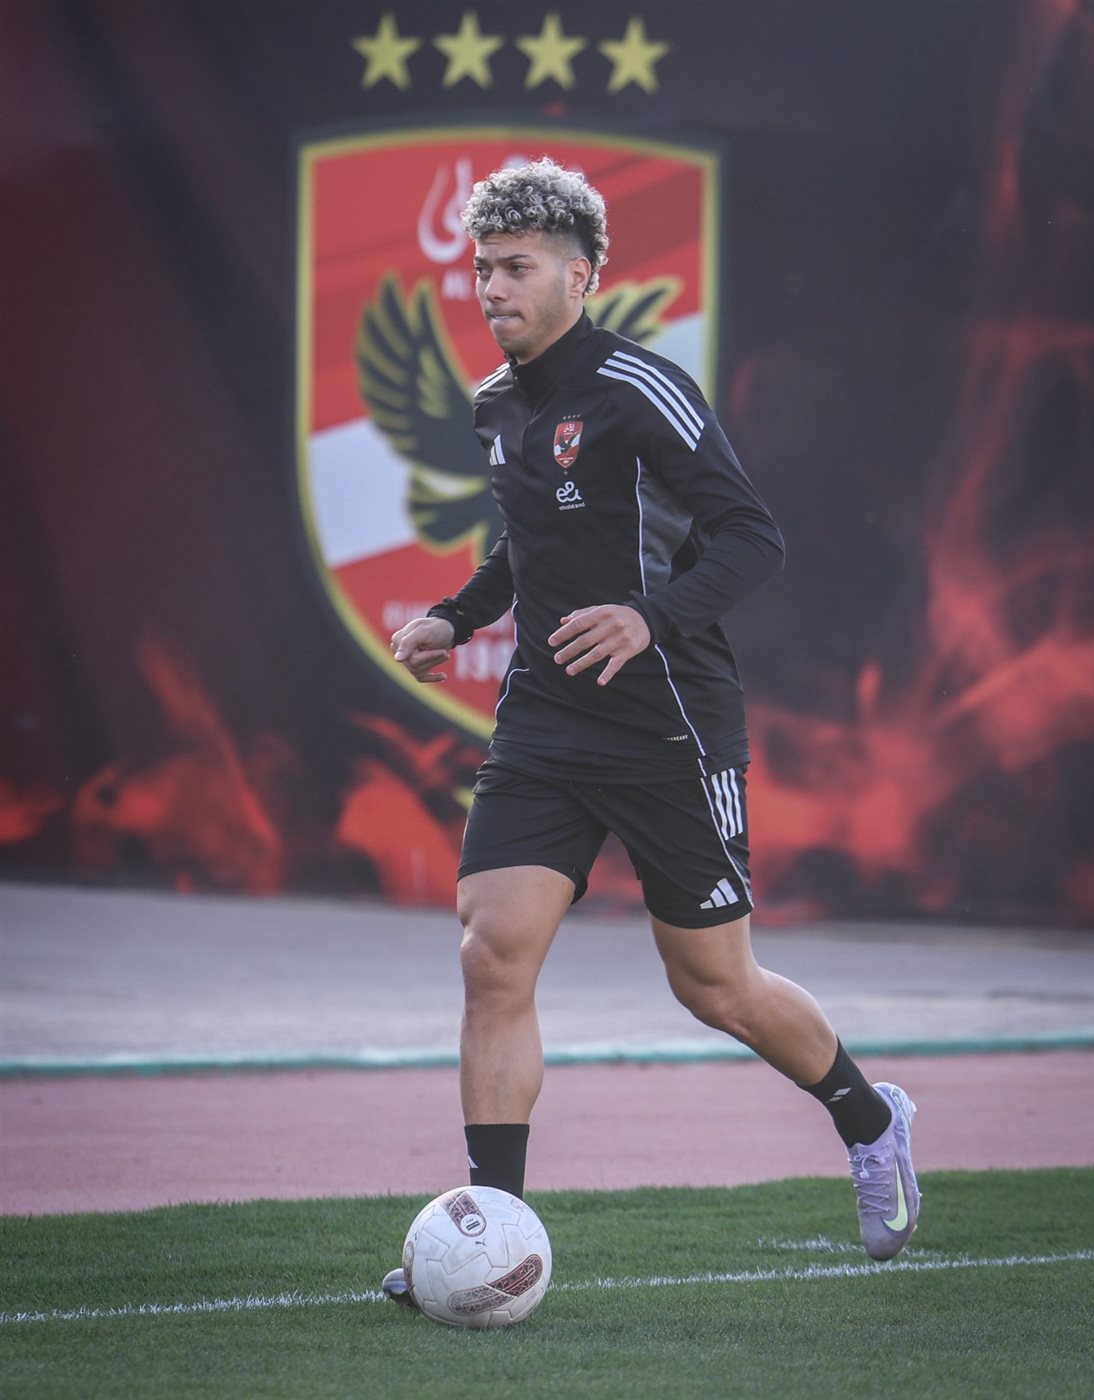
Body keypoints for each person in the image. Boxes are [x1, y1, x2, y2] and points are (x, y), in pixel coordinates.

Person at [383, 158, 919, 1302]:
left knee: (715, 984)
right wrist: (455, 616)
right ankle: (490, 1228)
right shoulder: (495, 402)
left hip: (667, 720)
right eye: (482, 268)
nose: (491, 288)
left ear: (580, 275)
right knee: (491, 953)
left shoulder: (641, 388)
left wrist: (647, 613)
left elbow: (753, 537)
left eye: (516, 267)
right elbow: (522, 542)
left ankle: (869, 1118)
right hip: (545, 720)